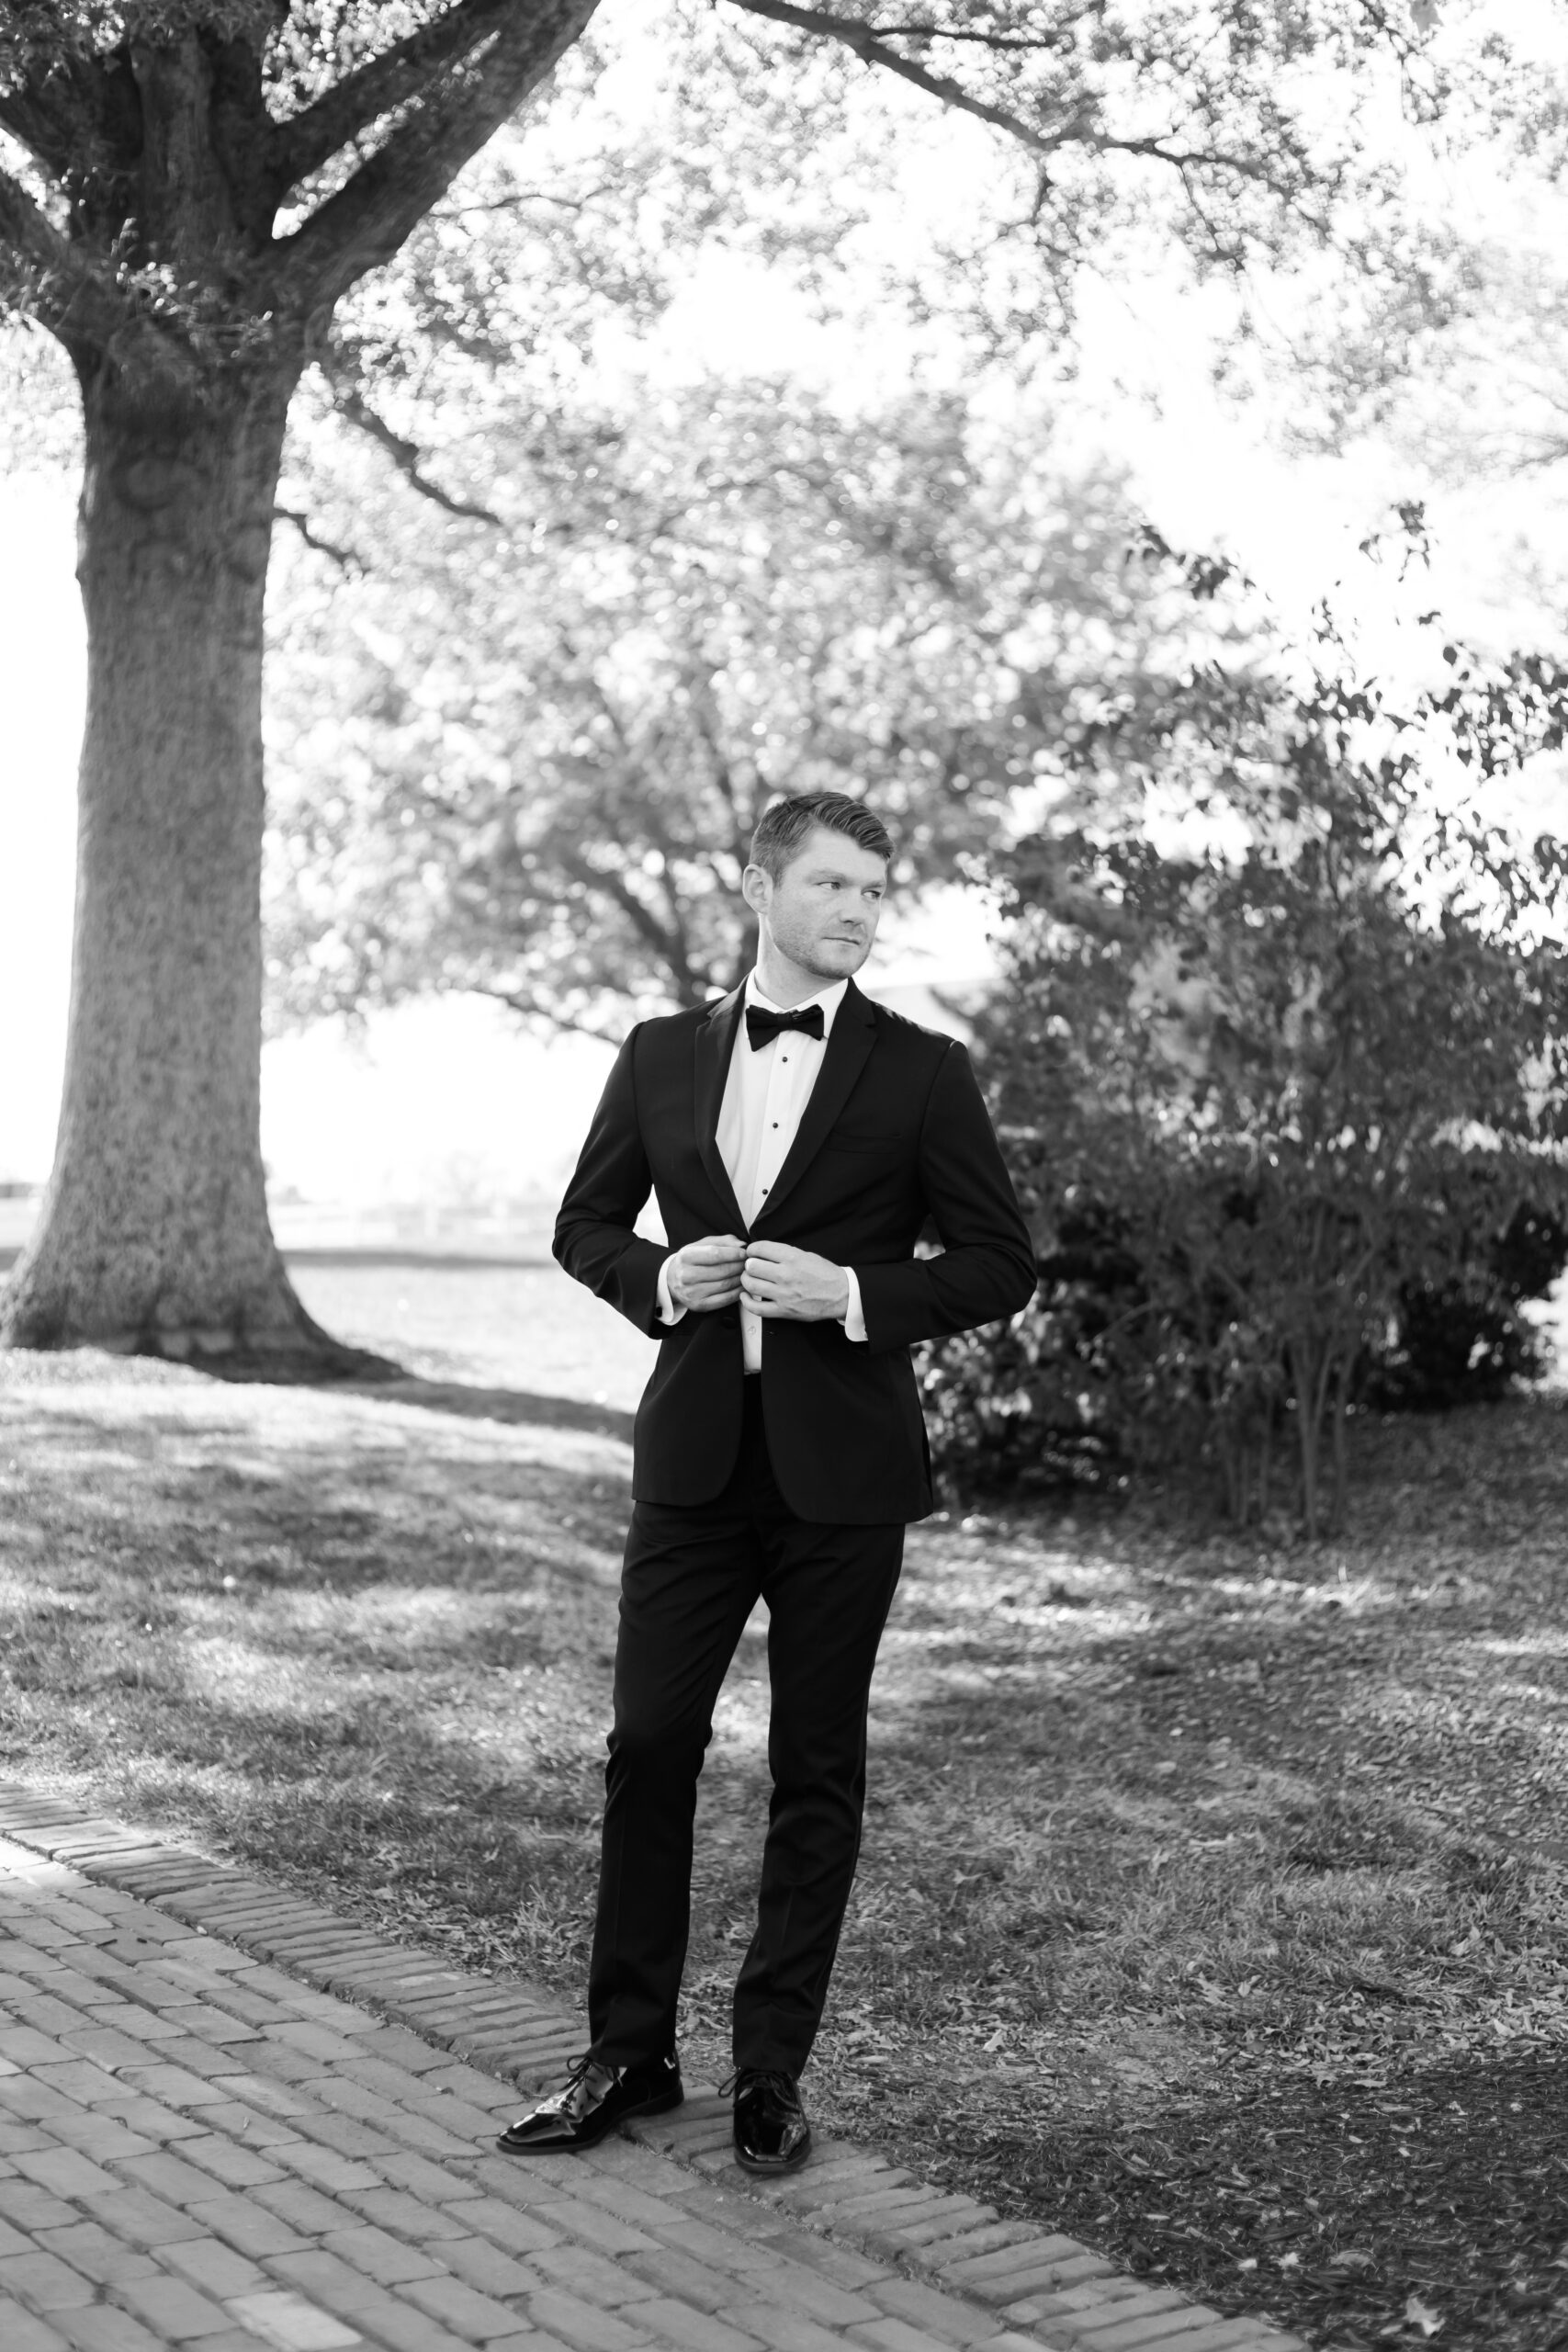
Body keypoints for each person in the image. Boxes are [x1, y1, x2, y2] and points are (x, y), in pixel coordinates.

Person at [497, 790, 1035, 2175]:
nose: (861, 910)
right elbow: (583, 1225)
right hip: (690, 1463)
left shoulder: (924, 1070)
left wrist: (854, 1292)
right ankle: (629, 2053)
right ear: (759, 885)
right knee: (650, 1747)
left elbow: (998, 1262)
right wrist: (658, 1277)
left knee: (816, 1768)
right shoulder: (662, 1052)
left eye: (876, 889)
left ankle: (770, 2069)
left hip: (843, 1474)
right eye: (835, 884)